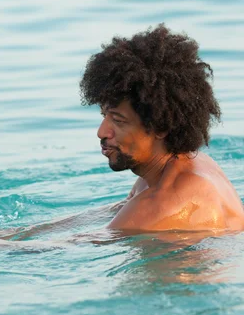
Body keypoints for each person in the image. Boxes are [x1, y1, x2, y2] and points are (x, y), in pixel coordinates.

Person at [79, 23, 244, 232]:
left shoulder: (163, 203)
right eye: (105, 116)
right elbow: (118, 210)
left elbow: (84, 244)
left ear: (161, 127)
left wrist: (25, 248)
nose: (102, 132)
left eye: (118, 121)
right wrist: (30, 231)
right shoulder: (187, 165)